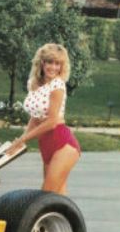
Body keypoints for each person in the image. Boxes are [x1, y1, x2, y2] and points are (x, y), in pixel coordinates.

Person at [6, 43, 80, 195]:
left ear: (62, 66)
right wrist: (21, 140)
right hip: (45, 143)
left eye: (57, 63)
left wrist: (22, 140)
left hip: (62, 143)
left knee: (46, 195)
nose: (53, 67)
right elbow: (35, 118)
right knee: (57, 197)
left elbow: (52, 122)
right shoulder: (34, 84)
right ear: (42, 63)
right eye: (49, 62)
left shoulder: (57, 85)